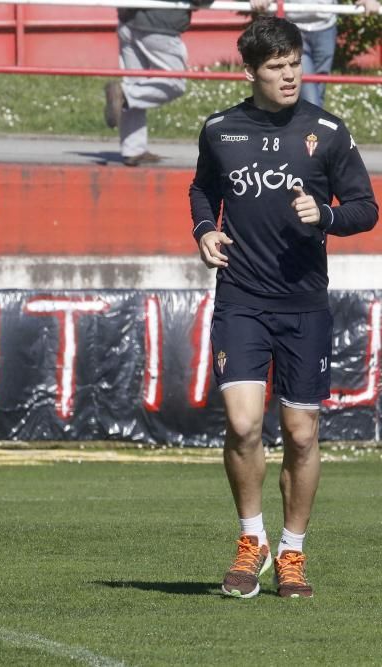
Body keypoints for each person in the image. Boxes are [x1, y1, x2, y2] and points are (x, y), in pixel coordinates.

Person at [189, 16, 377, 599]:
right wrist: (203, 229)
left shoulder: (328, 130)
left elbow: (366, 209)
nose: (289, 73)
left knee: (300, 433)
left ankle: (293, 551)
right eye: (275, 66)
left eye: (294, 62)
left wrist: (325, 215)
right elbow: (203, 188)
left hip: (305, 305)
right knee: (243, 424)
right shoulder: (220, 129)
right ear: (251, 72)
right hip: (241, 298)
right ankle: (253, 540)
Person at [104, 0, 210, 166]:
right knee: (175, 83)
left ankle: (133, 150)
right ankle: (124, 94)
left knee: (135, 82)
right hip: (160, 25)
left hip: (127, 22)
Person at [247, 0, 381, 108]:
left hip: (326, 27)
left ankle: (306, 133)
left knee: (319, 87)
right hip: (293, 26)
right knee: (309, 92)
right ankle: (312, 133)